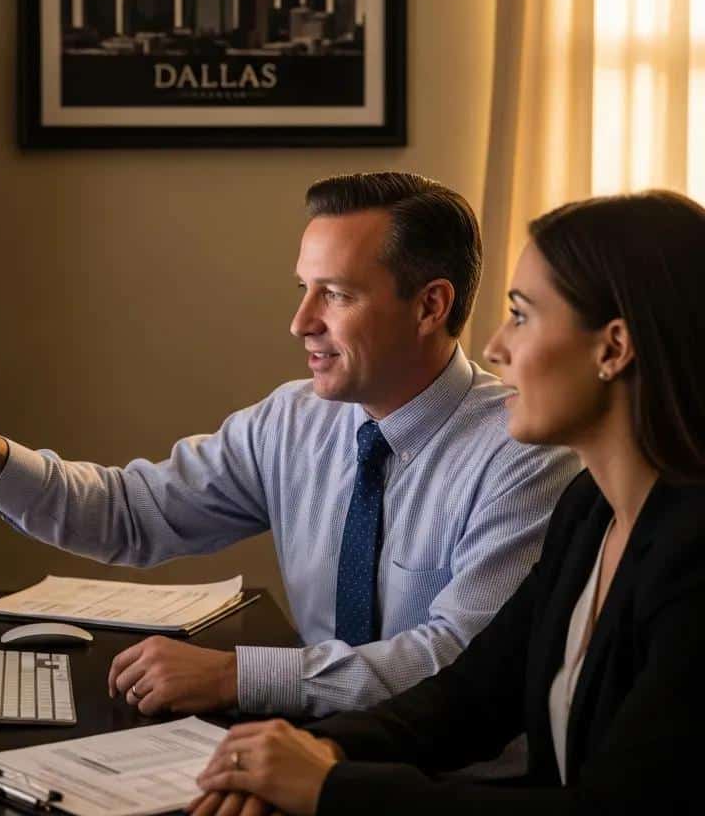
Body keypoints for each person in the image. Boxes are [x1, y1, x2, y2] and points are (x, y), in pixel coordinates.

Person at [0, 172, 578, 720]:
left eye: (335, 294)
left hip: (443, 787)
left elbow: (457, 663)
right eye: (303, 288)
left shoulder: (524, 455)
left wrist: (239, 675)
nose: (300, 321)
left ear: (430, 305)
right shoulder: (293, 420)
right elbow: (132, 514)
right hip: (313, 752)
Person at [191, 189, 705, 814]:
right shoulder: (590, 510)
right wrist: (318, 750)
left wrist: (330, 787)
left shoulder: (693, 555)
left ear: (613, 348)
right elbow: (473, 694)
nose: (494, 347)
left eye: (521, 315)